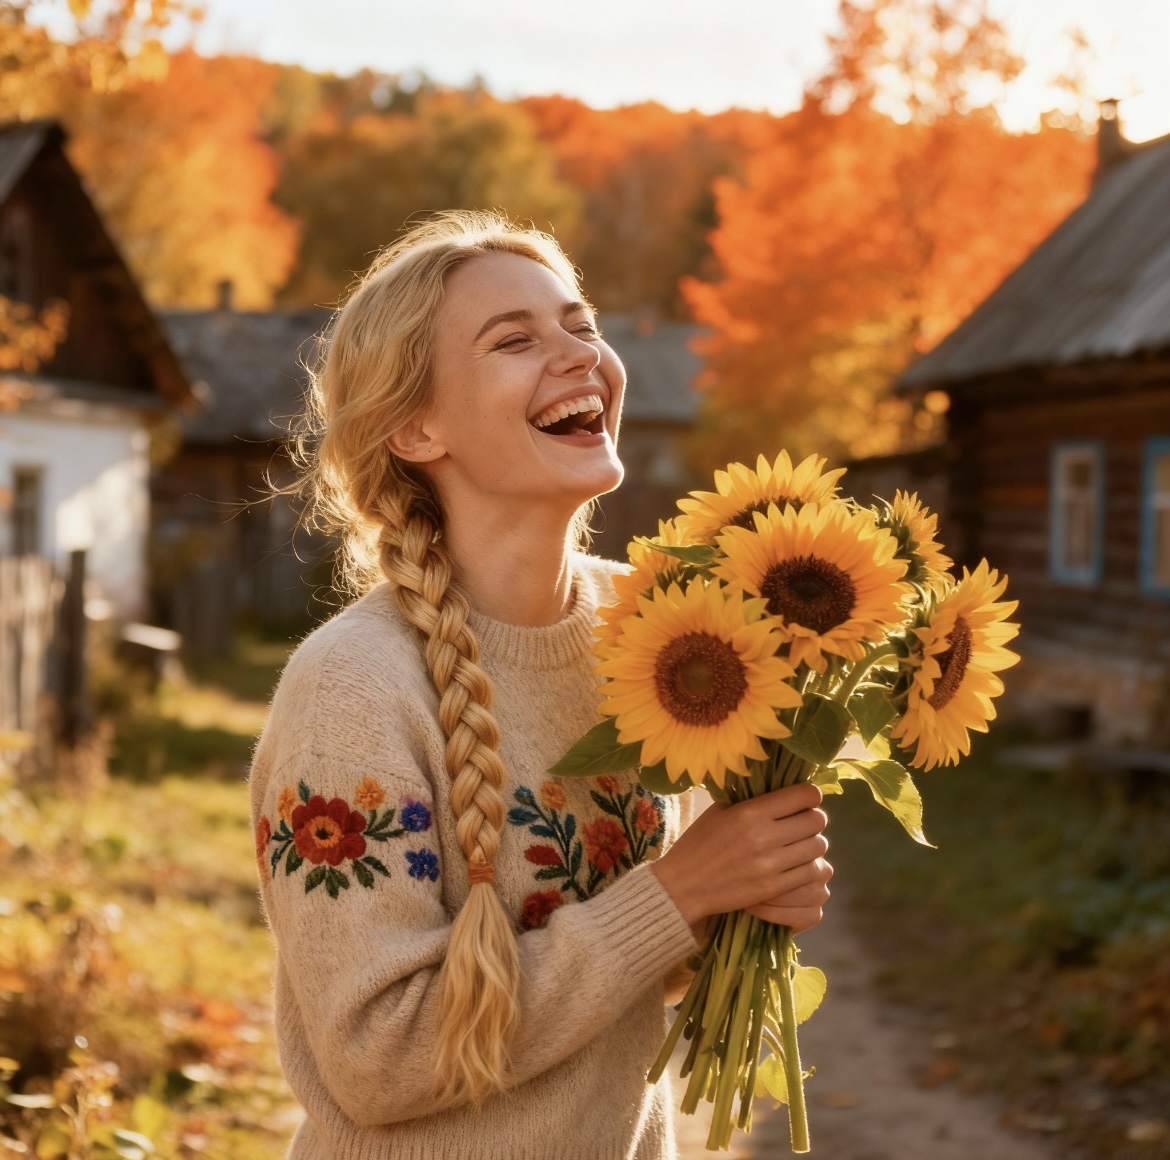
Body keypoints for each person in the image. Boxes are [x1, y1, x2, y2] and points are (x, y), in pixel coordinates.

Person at [249, 211, 833, 1159]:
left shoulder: (664, 635)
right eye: (514, 341)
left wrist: (747, 891)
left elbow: (644, 973)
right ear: (415, 426)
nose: (578, 356)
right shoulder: (352, 690)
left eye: (581, 324)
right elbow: (377, 1058)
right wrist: (682, 893)